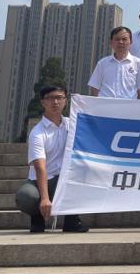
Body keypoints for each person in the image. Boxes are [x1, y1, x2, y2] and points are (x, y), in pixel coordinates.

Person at [15, 85, 88, 233]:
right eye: (50, 98)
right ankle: (37, 219)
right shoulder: (37, 133)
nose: (55, 102)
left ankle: (72, 221)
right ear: (43, 102)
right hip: (42, 182)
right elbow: (40, 168)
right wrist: (44, 198)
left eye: (59, 98)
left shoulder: (72, 125)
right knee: (26, 196)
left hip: (66, 178)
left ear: (65, 101)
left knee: (85, 175)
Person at [87, 26, 140, 99]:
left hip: (128, 104)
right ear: (111, 42)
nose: (121, 42)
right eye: (117, 39)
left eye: (124, 39)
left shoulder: (139, 64)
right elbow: (95, 87)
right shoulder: (102, 63)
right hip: (106, 104)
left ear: (131, 42)